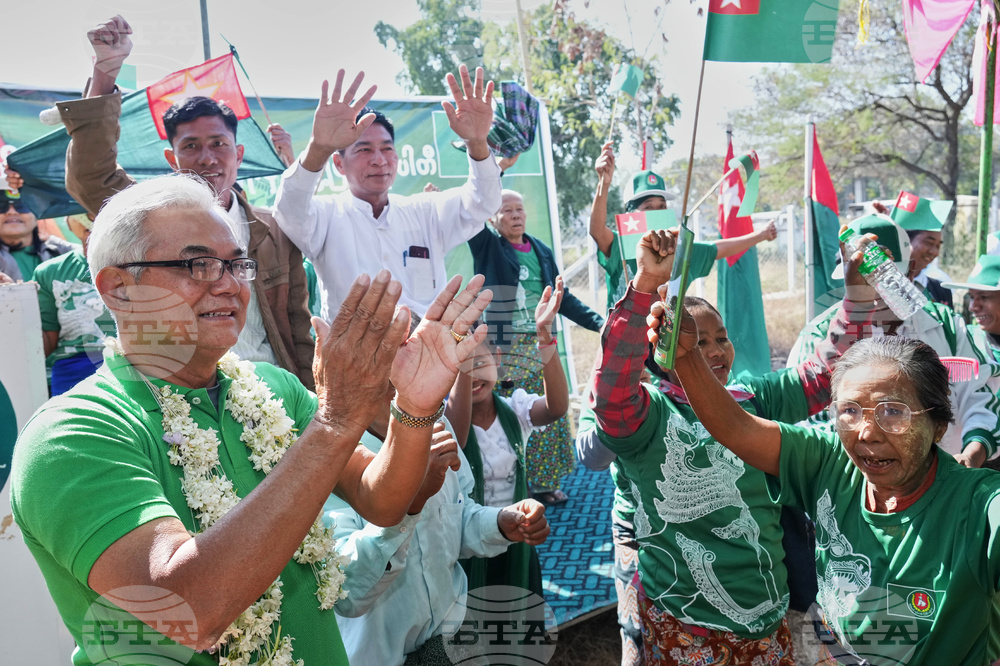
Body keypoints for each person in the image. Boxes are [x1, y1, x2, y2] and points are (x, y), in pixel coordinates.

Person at [10, 174, 494, 666]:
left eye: (236, 264)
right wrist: (337, 420)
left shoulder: (271, 386)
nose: (227, 284)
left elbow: (383, 500)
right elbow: (189, 609)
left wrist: (411, 408)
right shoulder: (72, 435)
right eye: (197, 264)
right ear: (118, 288)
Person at [588, 226, 875, 665]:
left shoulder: (753, 399)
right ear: (660, 350)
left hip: (767, 614)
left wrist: (856, 295)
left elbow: (821, 376)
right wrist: (646, 287)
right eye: (696, 341)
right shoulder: (648, 416)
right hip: (686, 622)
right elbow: (610, 392)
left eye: (720, 337)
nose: (716, 350)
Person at [666, 319, 1000, 665]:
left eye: (893, 412)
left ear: (938, 426)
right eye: (850, 412)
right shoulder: (830, 462)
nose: (867, 433)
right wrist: (686, 356)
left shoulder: (977, 507)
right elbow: (738, 429)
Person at [50, 14, 315, 388]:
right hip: (185, 403)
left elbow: (298, 327)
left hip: (274, 401)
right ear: (171, 159)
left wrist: (308, 403)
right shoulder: (150, 217)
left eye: (218, 144)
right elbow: (91, 176)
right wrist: (105, 74)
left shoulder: (274, 228)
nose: (207, 158)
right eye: (191, 146)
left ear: (238, 153)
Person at [325, 346, 550, 665]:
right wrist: (411, 500)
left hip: (457, 640)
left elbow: (459, 517)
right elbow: (347, 590)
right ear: (363, 379)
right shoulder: (331, 460)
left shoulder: (434, 424)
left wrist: (500, 522)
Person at [273, 64, 502, 320]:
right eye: (364, 150)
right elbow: (289, 209)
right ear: (339, 164)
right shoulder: (326, 215)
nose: (379, 160)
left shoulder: (426, 211)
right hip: (352, 356)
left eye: (387, 149)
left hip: (425, 352)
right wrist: (319, 147)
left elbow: (484, 201)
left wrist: (477, 143)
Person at [788, 213, 1000, 468]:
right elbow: (810, 425)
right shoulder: (821, 338)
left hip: (942, 482)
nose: (873, 292)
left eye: (886, 280)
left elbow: (977, 396)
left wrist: (971, 454)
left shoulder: (946, 326)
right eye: (861, 280)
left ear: (911, 271)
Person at [468, 190, 601, 504]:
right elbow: (469, 217)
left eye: (520, 209)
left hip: (541, 342)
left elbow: (561, 298)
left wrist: (598, 322)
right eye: (507, 210)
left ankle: (542, 484)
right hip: (504, 347)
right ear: (492, 217)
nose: (516, 215)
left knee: (547, 410)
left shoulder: (540, 249)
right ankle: (510, 482)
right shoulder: (489, 246)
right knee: (512, 413)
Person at [446, 278, 568, 596]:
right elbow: (457, 439)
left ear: (498, 360)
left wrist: (545, 339)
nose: (474, 376)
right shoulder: (446, 420)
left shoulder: (514, 411)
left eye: (481, 363)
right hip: (469, 542)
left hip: (516, 533)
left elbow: (557, 407)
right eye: (463, 369)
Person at [589, 140, 776, 307]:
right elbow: (597, 231)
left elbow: (717, 249)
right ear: (630, 214)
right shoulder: (620, 245)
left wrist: (761, 235)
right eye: (648, 207)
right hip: (622, 340)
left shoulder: (680, 249)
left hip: (665, 342)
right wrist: (603, 184)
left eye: (662, 206)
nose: (657, 213)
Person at [34, 212, 113, 394]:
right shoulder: (48, 272)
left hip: (131, 368)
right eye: (79, 209)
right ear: (67, 222)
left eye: (101, 207)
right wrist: (12, 299)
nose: (91, 216)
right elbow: (44, 345)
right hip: (72, 374)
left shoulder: (142, 265)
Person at [883, 191, 954, 307]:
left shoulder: (941, 291)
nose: (934, 252)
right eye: (929, 243)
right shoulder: (882, 286)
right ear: (905, 241)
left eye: (938, 246)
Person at [0, 190, 72, 281]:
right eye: (1, 206)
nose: (12, 212)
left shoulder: (65, 252)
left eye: (22, 206)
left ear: (37, 214)